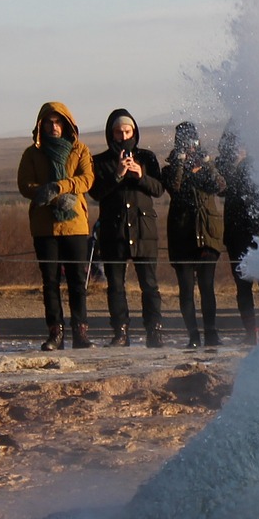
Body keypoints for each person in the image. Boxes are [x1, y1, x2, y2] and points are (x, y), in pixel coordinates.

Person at [17, 101, 95, 350]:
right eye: (48, 122)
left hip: (75, 225)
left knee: (77, 282)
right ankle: (55, 333)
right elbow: (24, 184)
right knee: (50, 282)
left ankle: (81, 333)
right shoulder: (32, 153)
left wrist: (61, 188)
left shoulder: (79, 149)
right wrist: (46, 194)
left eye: (58, 121)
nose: (53, 126)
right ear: (41, 125)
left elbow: (87, 179)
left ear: (67, 124)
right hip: (44, 226)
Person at [91, 110, 166, 348]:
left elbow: (159, 189)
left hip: (144, 231)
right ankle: (120, 332)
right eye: (118, 131)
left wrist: (140, 175)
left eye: (127, 131)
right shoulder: (100, 161)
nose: (123, 135)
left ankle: (154, 331)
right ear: (110, 133)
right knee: (115, 285)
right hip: (114, 232)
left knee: (149, 285)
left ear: (134, 131)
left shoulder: (147, 157)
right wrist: (118, 174)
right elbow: (95, 193)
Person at [164, 122, 227, 348]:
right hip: (182, 236)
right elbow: (175, 186)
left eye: (192, 140)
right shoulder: (170, 168)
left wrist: (207, 163)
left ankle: (211, 331)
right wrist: (180, 161)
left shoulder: (206, 167)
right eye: (184, 141)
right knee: (186, 288)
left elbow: (220, 186)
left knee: (207, 286)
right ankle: (193, 334)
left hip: (207, 234)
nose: (189, 146)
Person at [216, 130, 259, 345]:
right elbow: (221, 188)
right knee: (243, 286)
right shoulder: (224, 166)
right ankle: (251, 332)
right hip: (236, 234)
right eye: (236, 142)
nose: (240, 147)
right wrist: (233, 163)